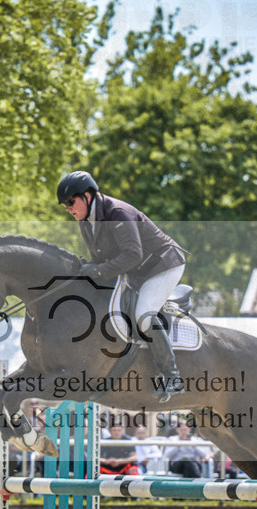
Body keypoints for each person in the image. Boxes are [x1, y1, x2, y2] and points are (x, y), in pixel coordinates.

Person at [57, 170, 187, 402]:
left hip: (163, 265)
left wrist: (97, 270)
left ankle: (172, 375)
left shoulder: (117, 213)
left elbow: (132, 254)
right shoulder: (87, 221)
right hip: (138, 270)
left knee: (143, 316)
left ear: (87, 195)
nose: (67, 208)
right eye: (65, 205)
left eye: (70, 201)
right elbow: (101, 257)